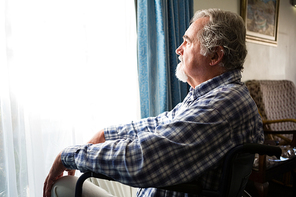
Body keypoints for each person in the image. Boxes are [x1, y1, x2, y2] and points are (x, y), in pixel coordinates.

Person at [43, 8, 264, 197]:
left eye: (186, 42)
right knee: (90, 172)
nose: (178, 49)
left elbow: (144, 158)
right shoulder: (212, 95)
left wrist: (68, 155)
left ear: (215, 56)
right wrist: (105, 133)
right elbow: (159, 124)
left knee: (63, 186)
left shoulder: (222, 105)